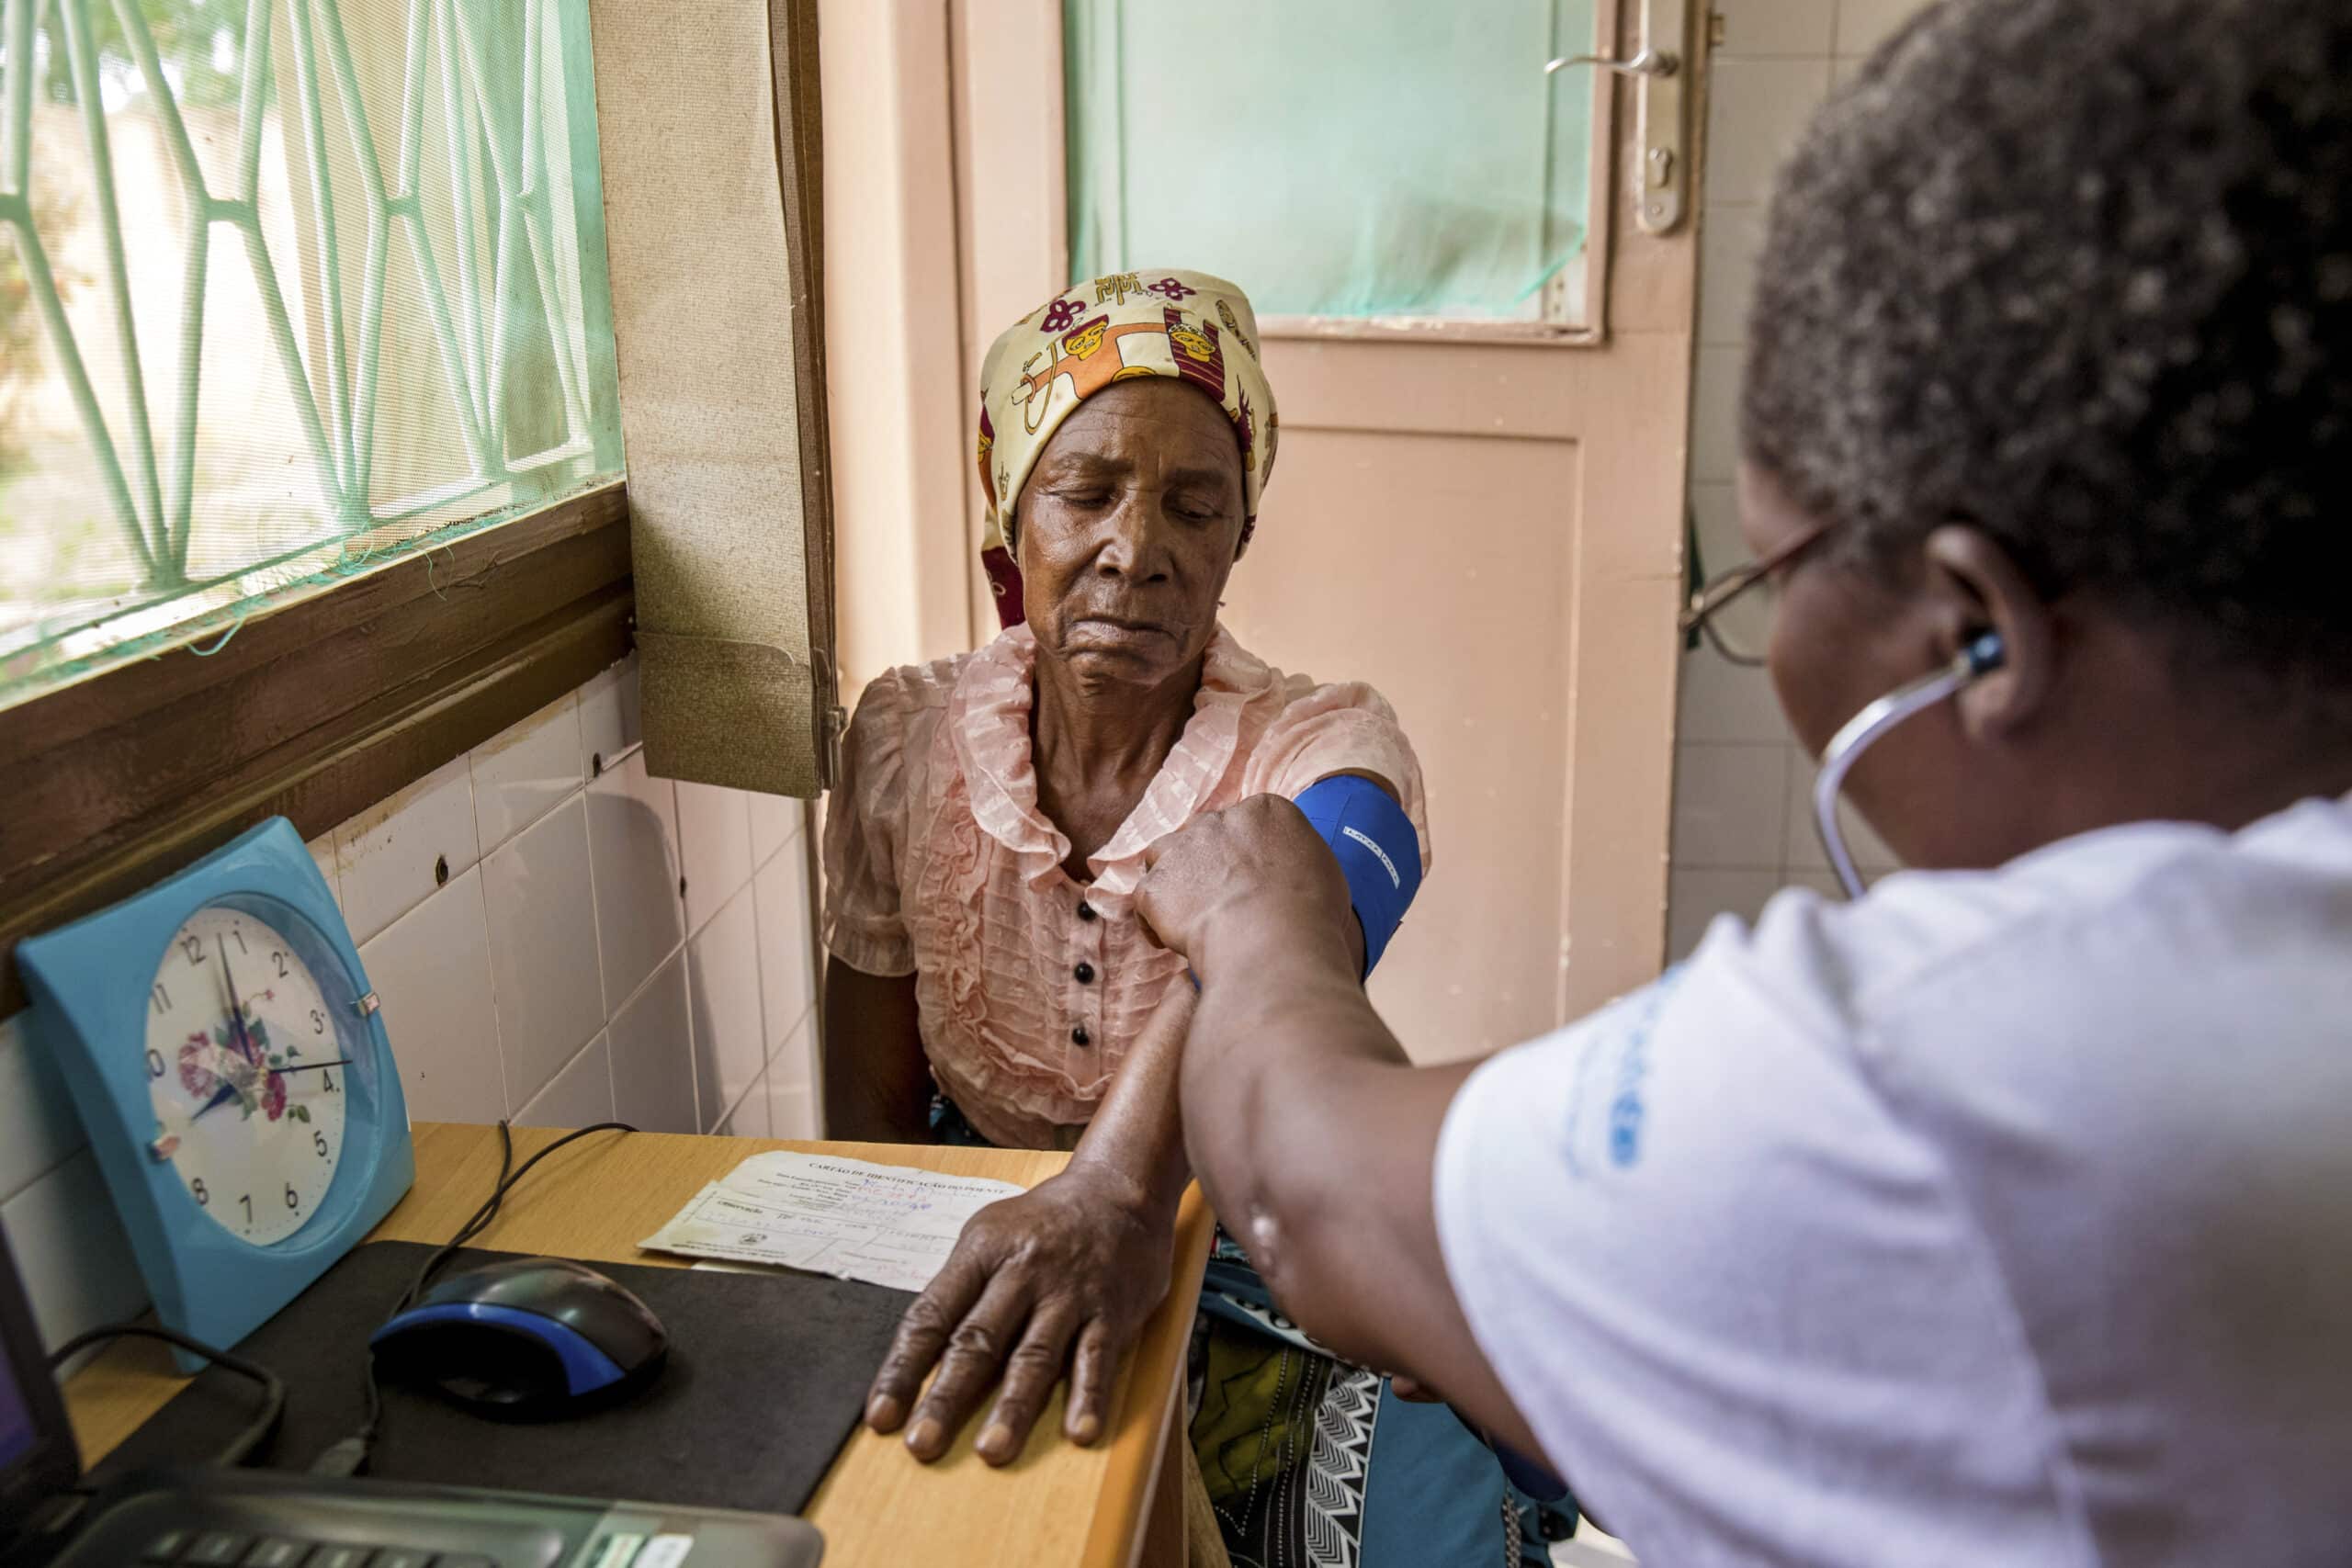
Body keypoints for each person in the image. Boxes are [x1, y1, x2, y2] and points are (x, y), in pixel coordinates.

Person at [1134, 1, 2352, 1562]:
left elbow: (1317, 1199)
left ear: (1979, 633)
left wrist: (1260, 928)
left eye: (1770, 580)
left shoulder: (1946, 1086)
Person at [822, 272, 1565, 1562]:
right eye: (1088, 491)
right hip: (986, 1226)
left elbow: (1306, 906)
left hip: (1265, 1252)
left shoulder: (1322, 748)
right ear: (1013, 519)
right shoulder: (906, 739)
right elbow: (876, 1116)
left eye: (1194, 503)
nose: (1137, 546)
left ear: (1241, 535)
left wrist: (1113, 1192)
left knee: (1419, 1530)